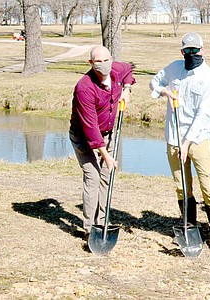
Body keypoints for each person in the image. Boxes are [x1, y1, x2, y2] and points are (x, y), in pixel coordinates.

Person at [149, 32, 210, 251]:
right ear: (182, 51)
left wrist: (187, 142)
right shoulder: (174, 68)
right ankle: (188, 226)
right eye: (187, 50)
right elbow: (153, 82)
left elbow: (204, 114)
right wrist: (163, 91)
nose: (191, 54)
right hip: (173, 136)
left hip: (198, 138)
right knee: (182, 185)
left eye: (195, 50)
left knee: (209, 184)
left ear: (203, 50)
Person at [69, 46, 134, 240]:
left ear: (111, 59)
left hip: (108, 132)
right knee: (93, 176)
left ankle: (102, 221)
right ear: (91, 63)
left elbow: (129, 70)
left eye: (106, 61)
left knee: (107, 176)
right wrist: (106, 156)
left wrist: (127, 90)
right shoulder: (84, 87)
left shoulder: (117, 70)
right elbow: (90, 129)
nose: (103, 65)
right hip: (84, 136)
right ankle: (90, 229)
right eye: (98, 62)